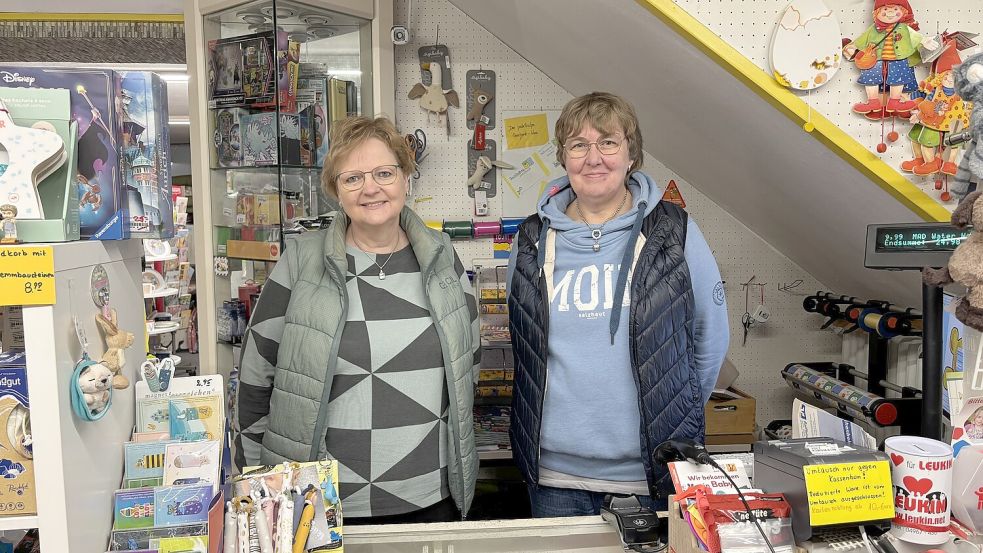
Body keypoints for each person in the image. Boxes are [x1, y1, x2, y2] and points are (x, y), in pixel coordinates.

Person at [236, 115, 480, 523]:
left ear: (406, 177)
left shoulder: (442, 255)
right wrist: (259, 488)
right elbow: (256, 377)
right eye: (352, 178)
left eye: (384, 172)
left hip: (431, 496)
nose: (370, 188)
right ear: (335, 189)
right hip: (321, 505)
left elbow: (467, 364)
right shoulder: (301, 261)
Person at [507, 92, 729, 517]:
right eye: (578, 145)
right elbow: (526, 348)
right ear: (564, 157)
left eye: (608, 142)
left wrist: (674, 417)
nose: (594, 157)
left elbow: (710, 340)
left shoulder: (674, 233)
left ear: (631, 154)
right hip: (554, 476)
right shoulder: (531, 240)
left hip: (648, 474)